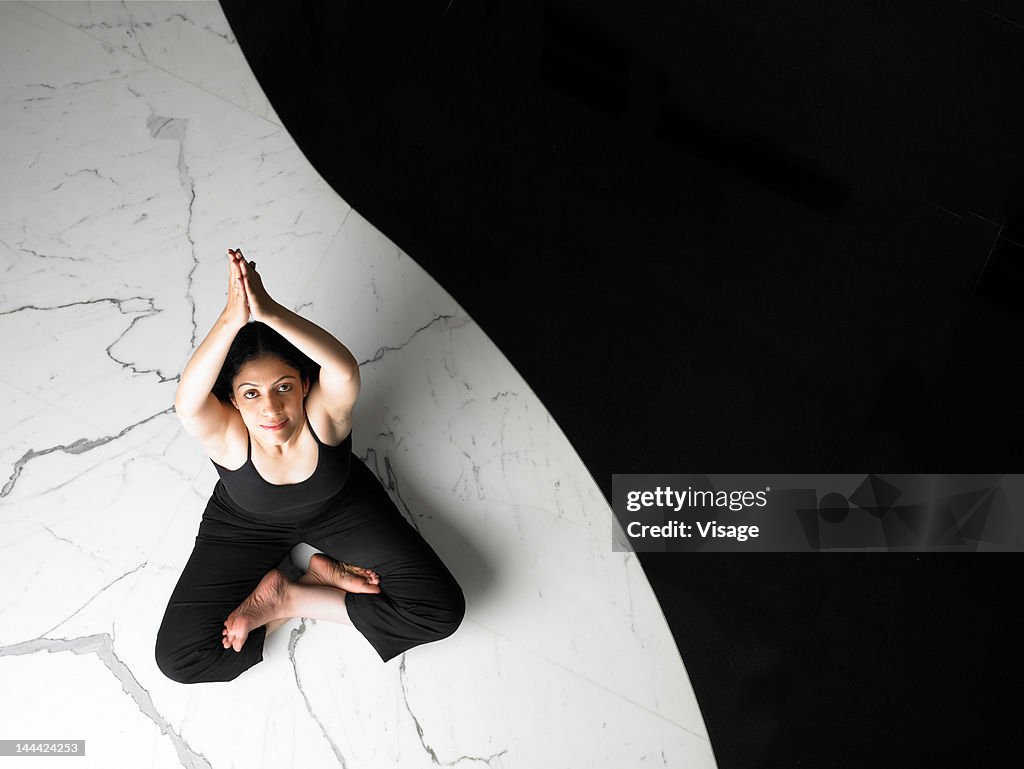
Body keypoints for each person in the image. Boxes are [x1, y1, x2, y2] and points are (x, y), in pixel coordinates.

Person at [155, 248, 465, 683]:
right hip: (244, 526)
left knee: (439, 612)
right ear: (232, 400)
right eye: (250, 393)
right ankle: (295, 587)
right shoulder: (228, 433)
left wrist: (268, 310)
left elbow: (342, 369)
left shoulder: (324, 416)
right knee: (180, 660)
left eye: (283, 387)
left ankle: (293, 597)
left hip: (342, 511)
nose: (271, 408)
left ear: (304, 384)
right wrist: (231, 319)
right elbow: (187, 403)